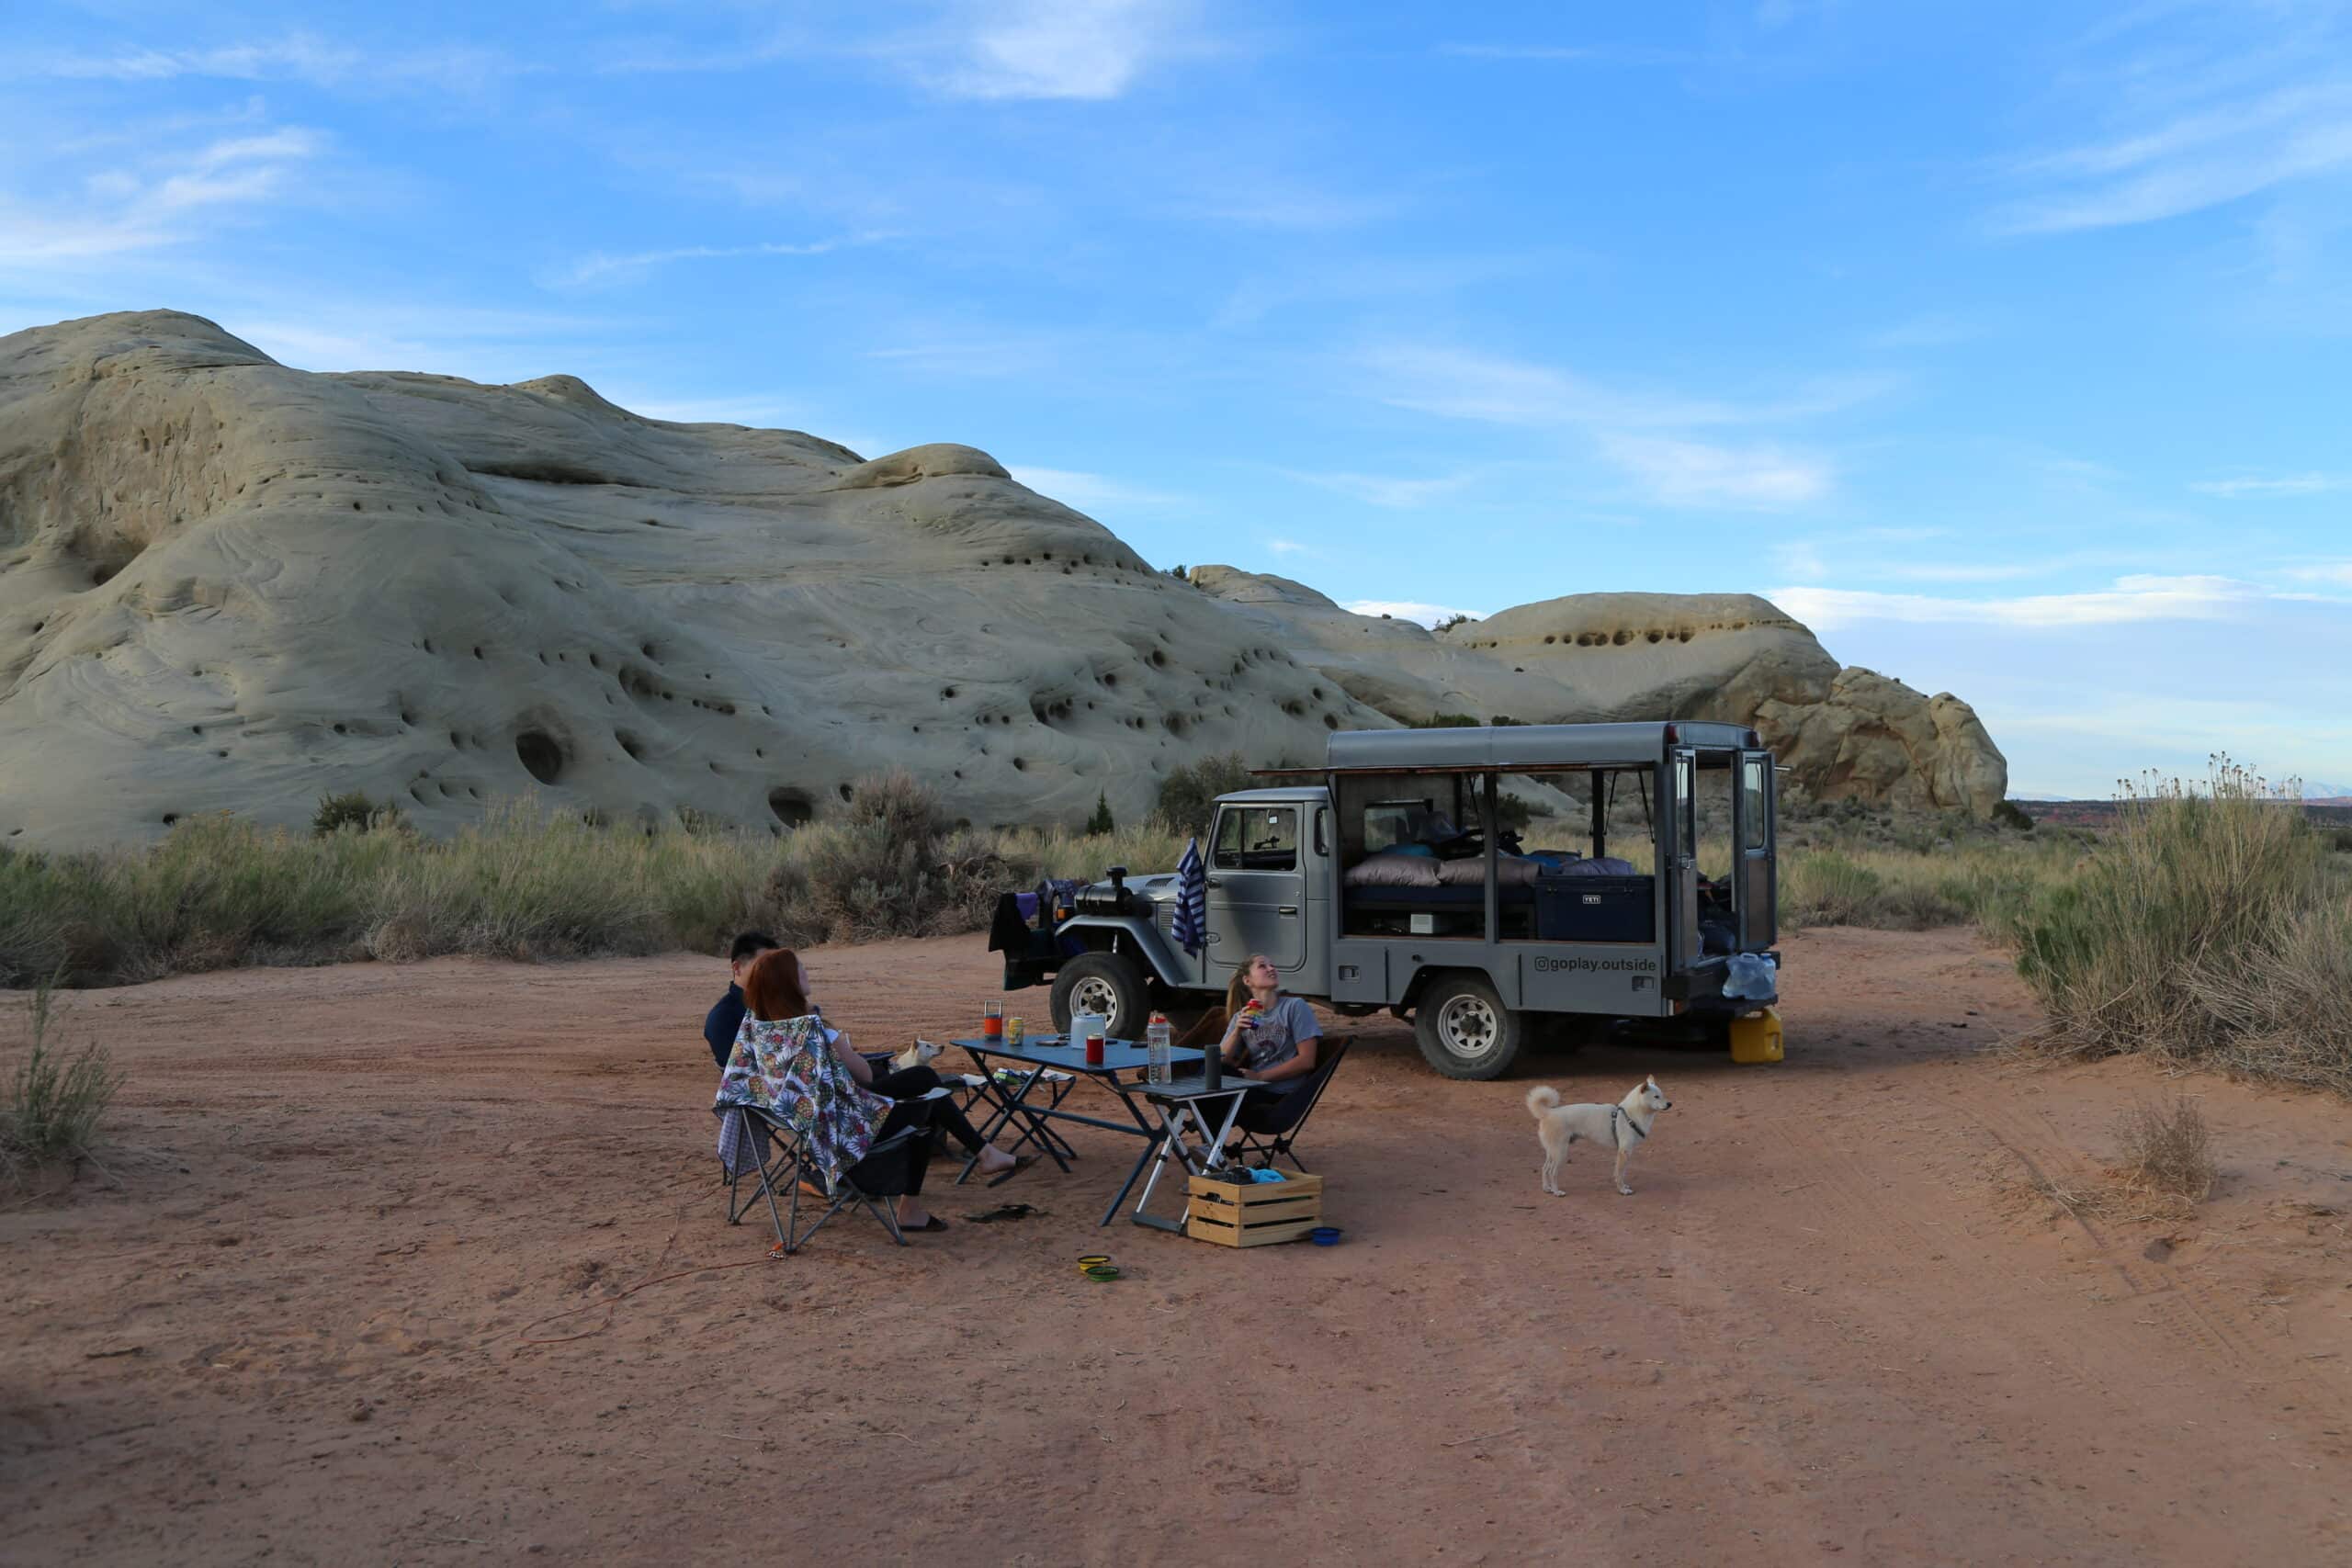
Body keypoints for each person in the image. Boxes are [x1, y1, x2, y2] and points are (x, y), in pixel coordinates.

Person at [736, 947, 1023, 1230]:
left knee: (920, 1085)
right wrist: (846, 1051)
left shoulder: (760, 1031)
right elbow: (862, 1075)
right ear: (788, 983)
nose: (805, 972)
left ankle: (984, 1154)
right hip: (846, 1131)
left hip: (804, 1128)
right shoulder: (814, 1029)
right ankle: (923, 1200)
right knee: (924, 1090)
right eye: (799, 969)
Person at [1216, 953, 1321, 1100]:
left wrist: (1260, 1076)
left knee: (1211, 1095)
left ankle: (1194, 1120)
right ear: (1247, 980)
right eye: (1262, 966)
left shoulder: (1294, 1007)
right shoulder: (1242, 1016)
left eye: (1272, 965)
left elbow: (1307, 1061)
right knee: (1212, 1071)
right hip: (1252, 1088)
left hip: (1280, 1093)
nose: (1271, 968)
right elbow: (1220, 1062)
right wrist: (1237, 1031)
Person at [705, 931, 776, 1070]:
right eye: (762, 966)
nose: (771, 973)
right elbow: (740, 1075)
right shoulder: (722, 1017)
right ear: (737, 968)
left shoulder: (781, 1004)